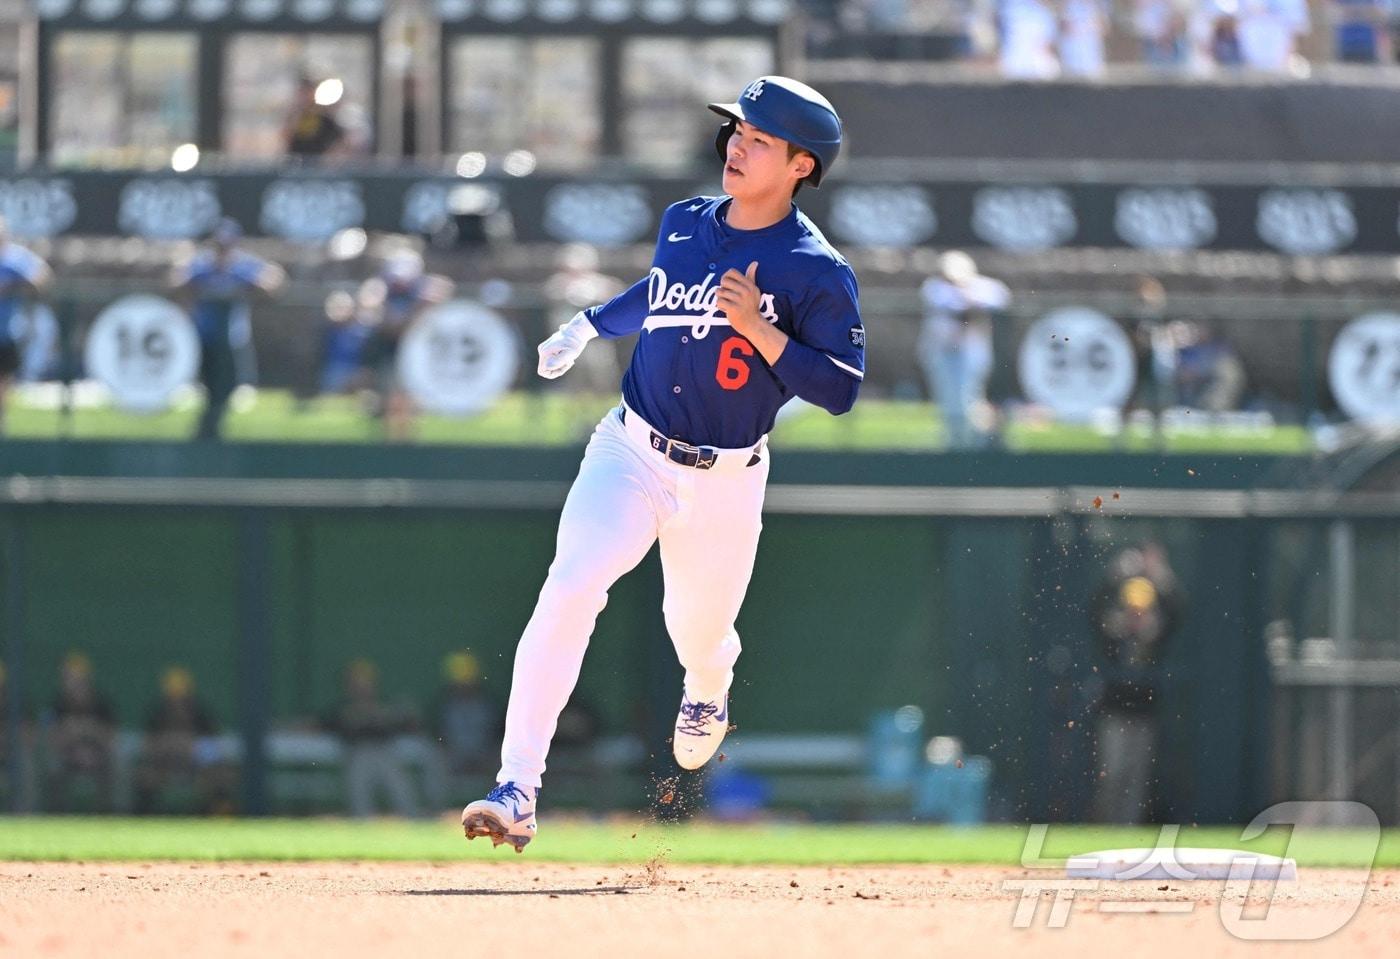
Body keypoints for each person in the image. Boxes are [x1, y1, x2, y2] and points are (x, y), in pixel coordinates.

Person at [461, 76, 863, 852]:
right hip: (631, 449)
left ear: (801, 166)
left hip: (725, 478)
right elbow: (659, 291)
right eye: (737, 132)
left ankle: (710, 685)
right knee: (572, 583)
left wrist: (763, 332)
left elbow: (842, 388)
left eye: (758, 139)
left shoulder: (816, 268)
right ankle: (517, 784)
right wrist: (587, 323)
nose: (736, 146)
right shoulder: (685, 222)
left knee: (698, 636)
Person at [1089, 542, 1182, 823]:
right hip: (1114, 713)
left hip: (1144, 713)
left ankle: (1127, 831)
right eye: (1132, 609)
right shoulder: (1113, 632)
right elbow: (1094, 609)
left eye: (1141, 610)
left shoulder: (1154, 634)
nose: (1136, 615)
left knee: (1137, 779)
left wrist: (1160, 576)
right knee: (1113, 774)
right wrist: (1114, 575)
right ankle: (1107, 828)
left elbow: (1177, 611)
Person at [170, 218, 285, 440]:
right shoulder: (202, 265)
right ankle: (207, 428)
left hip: (232, 338)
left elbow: (274, 281)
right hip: (203, 336)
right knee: (206, 385)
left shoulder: (242, 266)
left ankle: (209, 428)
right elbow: (176, 281)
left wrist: (250, 283)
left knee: (228, 386)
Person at [917, 250, 1010, 450]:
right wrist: (966, 298)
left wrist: (968, 291)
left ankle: (977, 442)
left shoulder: (982, 287)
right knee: (949, 400)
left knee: (970, 397)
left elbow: (1000, 298)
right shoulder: (935, 288)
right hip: (942, 352)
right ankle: (955, 442)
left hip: (970, 353)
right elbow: (952, 304)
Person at [357, 250, 453, 441]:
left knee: (409, 399)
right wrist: (411, 317)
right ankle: (393, 440)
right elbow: (382, 319)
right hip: (388, 355)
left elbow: (443, 290)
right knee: (394, 396)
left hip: (419, 357)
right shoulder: (380, 289)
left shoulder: (426, 290)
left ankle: (407, 439)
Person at [325, 659, 420, 818]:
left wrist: (388, 715)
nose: (362, 688)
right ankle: (361, 822)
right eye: (357, 684)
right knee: (360, 769)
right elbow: (328, 723)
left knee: (396, 776)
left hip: (385, 753)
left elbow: (408, 723)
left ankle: (414, 820)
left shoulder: (385, 705)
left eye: (365, 683)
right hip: (357, 753)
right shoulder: (343, 708)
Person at [134, 667, 233, 815]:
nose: (177, 699)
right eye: (173, 693)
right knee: (146, 775)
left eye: (180, 694)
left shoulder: (200, 712)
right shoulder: (158, 712)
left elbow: (214, 747)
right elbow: (149, 745)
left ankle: (213, 814)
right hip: (165, 764)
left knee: (220, 775)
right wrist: (172, 745)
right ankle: (145, 817)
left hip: (196, 766)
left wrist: (189, 747)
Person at [44, 652, 117, 812]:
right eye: (69, 678)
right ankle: (58, 815)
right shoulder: (58, 704)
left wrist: (88, 729)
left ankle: (106, 815)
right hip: (68, 756)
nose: (73, 683)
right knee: (53, 766)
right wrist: (73, 743)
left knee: (115, 764)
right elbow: (52, 739)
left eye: (77, 679)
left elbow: (111, 738)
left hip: (97, 756)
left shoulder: (100, 702)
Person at [0, 216, 53, 433]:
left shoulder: (15, 259)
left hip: (4, 333)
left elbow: (42, 278)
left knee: (4, 379)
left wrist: (11, 286)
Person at [284, 75, 347, 159]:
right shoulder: (295, 116)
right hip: (296, 162)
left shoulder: (323, 116)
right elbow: (286, 138)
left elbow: (339, 138)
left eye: (307, 92)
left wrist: (328, 157)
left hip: (317, 163)